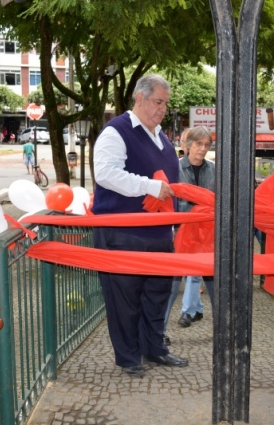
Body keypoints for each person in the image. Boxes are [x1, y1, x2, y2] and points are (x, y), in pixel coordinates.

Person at [92, 74, 187, 377]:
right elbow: (105, 173)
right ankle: (129, 357)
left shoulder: (162, 138)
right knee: (125, 299)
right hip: (123, 232)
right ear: (140, 98)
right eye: (158, 102)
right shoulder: (115, 131)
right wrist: (149, 186)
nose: (162, 109)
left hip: (159, 232)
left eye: (165, 104)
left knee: (157, 295)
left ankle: (154, 348)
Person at [164, 126, 215, 341]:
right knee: (172, 285)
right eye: (198, 144)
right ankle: (159, 332)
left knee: (215, 284)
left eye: (206, 145)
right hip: (181, 234)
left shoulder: (215, 170)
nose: (202, 149)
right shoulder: (173, 169)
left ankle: (224, 330)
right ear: (186, 146)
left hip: (208, 236)